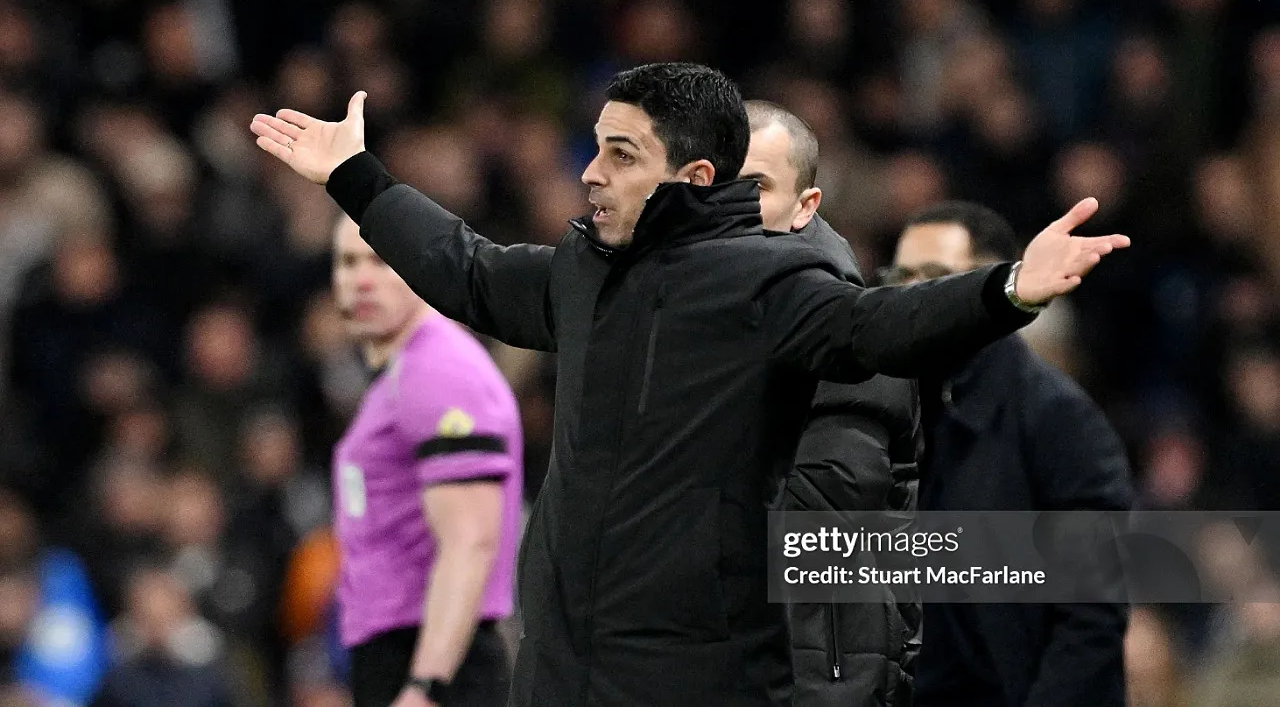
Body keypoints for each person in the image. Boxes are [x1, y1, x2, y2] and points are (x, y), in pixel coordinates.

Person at [250, 62, 1129, 707]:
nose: (591, 172)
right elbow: (468, 271)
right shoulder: (583, 274)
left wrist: (1010, 287)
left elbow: (882, 331)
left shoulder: (771, 289)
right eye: (595, 148)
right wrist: (355, 178)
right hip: (559, 671)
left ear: (694, 177)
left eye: (621, 155)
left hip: (697, 679)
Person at [882, 201, 1135, 707]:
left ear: (998, 284)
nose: (913, 295)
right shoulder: (886, 410)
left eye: (935, 276)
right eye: (900, 276)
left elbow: (1090, 618)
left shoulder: (1057, 418)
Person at [742, 100, 921, 706]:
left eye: (757, 186)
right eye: (716, 184)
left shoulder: (869, 348)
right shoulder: (651, 337)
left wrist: (892, 674)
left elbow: (901, 534)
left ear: (805, 206)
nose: (733, 207)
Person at [329, 214, 524, 707]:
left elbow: (470, 542)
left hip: (433, 658)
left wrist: (425, 684)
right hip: (399, 648)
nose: (361, 279)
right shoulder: (406, 370)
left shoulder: (439, 371)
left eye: (382, 260)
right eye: (348, 262)